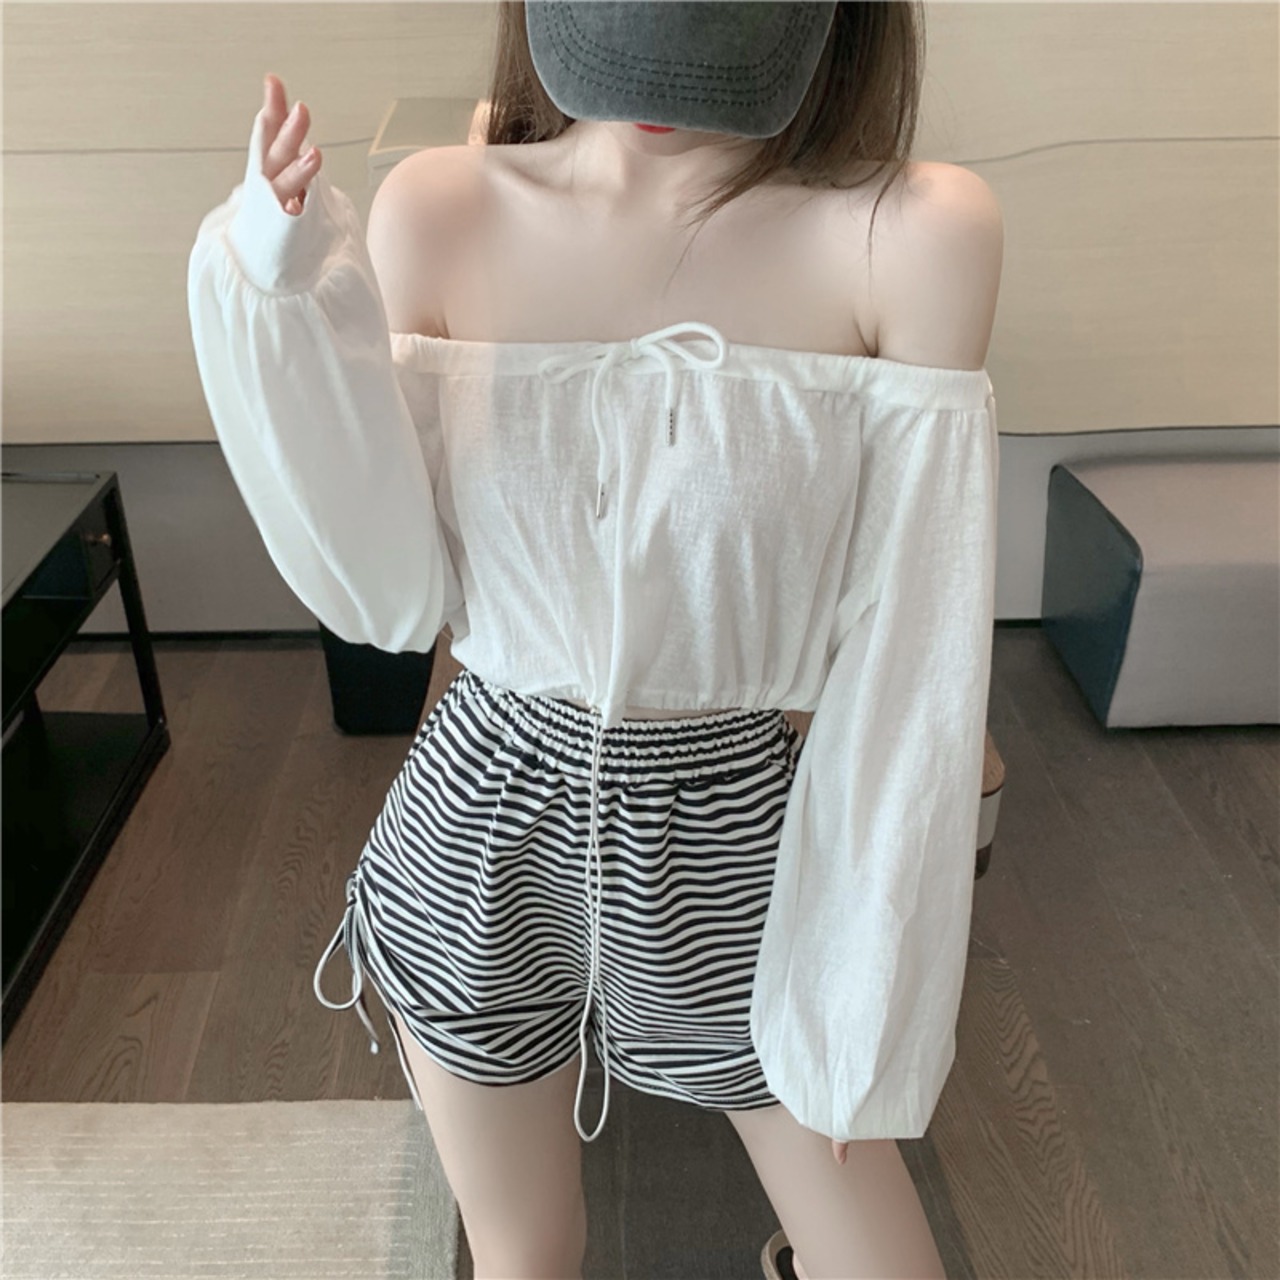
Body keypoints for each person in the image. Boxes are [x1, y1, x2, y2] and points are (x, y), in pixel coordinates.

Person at [186, 2, 1003, 1277]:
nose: (653, 96)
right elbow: (386, 588)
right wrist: (280, 305)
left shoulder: (908, 234)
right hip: (477, 820)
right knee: (525, 1257)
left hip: (733, 830)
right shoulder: (439, 209)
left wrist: (872, 976)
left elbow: (916, 650)